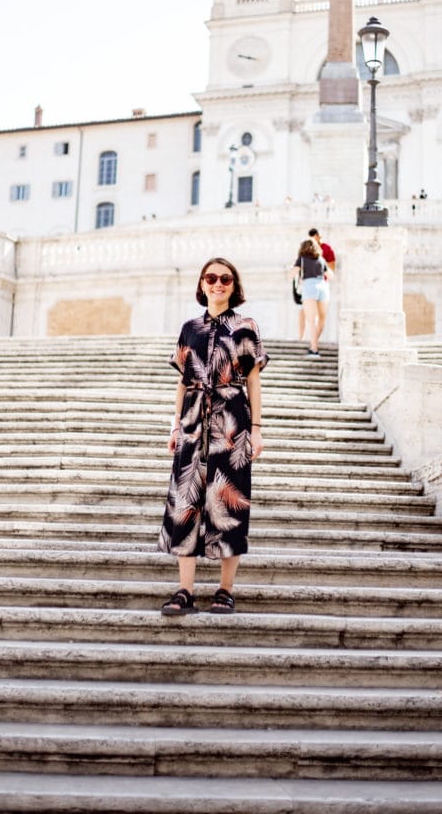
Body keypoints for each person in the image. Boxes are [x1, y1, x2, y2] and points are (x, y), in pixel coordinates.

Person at [158, 257, 269, 616]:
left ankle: (225, 590)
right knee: (185, 503)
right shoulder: (190, 328)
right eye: (211, 278)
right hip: (192, 421)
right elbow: (182, 379)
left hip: (232, 422)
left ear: (234, 287)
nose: (218, 283)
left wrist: (257, 430)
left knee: (228, 504)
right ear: (202, 284)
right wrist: (175, 425)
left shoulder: (245, 326)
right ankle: (184, 591)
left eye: (225, 279)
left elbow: (253, 379)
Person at [292, 238, 327, 356]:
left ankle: (314, 349)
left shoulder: (302, 259)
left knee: (312, 320)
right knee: (321, 320)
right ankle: (314, 344)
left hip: (309, 287)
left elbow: (292, 273)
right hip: (323, 287)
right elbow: (330, 275)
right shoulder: (321, 259)